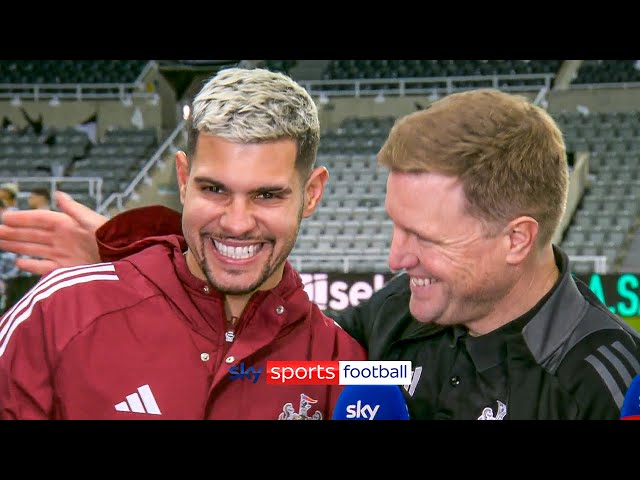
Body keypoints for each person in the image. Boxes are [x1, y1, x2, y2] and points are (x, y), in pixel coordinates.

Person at [1, 88, 638, 420]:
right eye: (396, 227)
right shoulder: (394, 323)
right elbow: (279, 366)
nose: (396, 258)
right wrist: (149, 264)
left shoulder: (604, 383)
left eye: (425, 239)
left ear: (517, 239)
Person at [0, 67, 367, 420]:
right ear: (182, 179)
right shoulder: (59, 313)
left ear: (312, 193)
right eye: (214, 189)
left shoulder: (339, 365)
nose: (236, 223)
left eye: (267, 195)